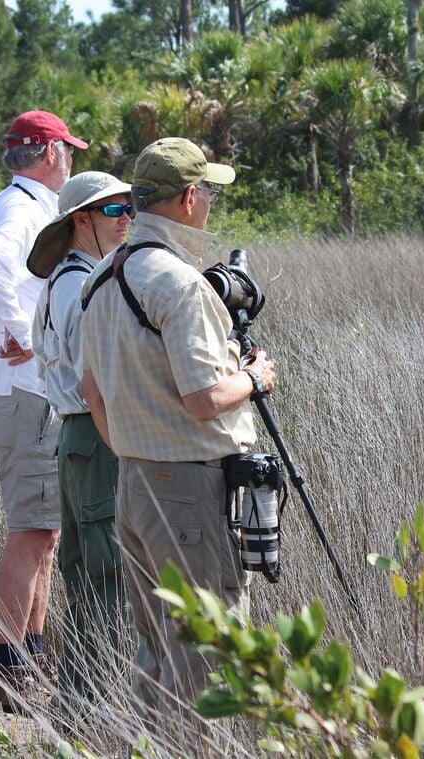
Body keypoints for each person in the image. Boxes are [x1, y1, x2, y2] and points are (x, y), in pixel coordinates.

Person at [78, 138, 276, 723]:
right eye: (207, 192)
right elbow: (205, 398)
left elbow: (90, 390)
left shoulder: (100, 278)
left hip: (135, 485)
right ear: (190, 197)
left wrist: (138, 453)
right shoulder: (180, 283)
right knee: (210, 655)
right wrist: (257, 376)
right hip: (190, 492)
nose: (209, 204)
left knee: (158, 649)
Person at [0, 110, 87, 709]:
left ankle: (30, 657)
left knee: (45, 531)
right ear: (51, 152)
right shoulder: (21, 209)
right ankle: (10, 669)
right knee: (31, 531)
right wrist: (22, 335)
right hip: (25, 390)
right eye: (68, 149)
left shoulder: (22, 205)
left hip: (28, 391)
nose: (72, 160)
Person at [26, 171, 132, 696]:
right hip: (94, 433)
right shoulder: (83, 283)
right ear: (81, 220)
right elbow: (94, 382)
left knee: (86, 571)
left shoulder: (65, 278)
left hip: (76, 437)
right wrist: (124, 445)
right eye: (113, 210)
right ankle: (102, 704)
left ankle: (80, 700)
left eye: (129, 207)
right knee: (106, 571)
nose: (127, 218)